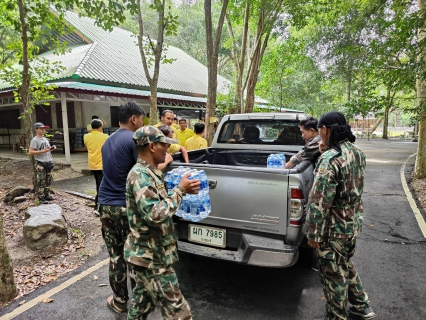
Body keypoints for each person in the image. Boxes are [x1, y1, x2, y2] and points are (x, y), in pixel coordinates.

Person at [125, 126, 200, 320]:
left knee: (141, 304)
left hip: (151, 254)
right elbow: (153, 214)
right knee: (179, 312)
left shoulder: (152, 173)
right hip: (150, 259)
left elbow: (158, 208)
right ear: (152, 146)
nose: (167, 149)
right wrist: (179, 191)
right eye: (164, 145)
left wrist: (178, 209)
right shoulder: (140, 176)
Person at [307, 111, 376, 320]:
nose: (319, 135)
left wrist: (313, 234)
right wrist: (325, 152)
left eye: (319, 130)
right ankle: (362, 305)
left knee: (333, 274)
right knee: (344, 262)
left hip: (333, 229)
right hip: (353, 223)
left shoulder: (329, 160)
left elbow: (319, 202)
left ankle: (336, 315)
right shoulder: (357, 152)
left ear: (326, 129)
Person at [97, 101, 145, 314]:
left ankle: (119, 301)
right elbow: (144, 172)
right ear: (134, 118)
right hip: (126, 207)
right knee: (134, 256)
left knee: (115, 256)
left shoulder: (107, 141)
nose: (142, 123)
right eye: (142, 119)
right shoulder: (135, 139)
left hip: (105, 204)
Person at [83, 118, 109, 210]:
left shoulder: (86, 136)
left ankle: (99, 204)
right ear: (101, 127)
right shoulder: (105, 136)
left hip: (92, 164)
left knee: (99, 184)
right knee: (101, 185)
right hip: (102, 164)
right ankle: (98, 205)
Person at [28, 122, 56, 204]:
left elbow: (46, 150)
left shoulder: (45, 139)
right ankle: (40, 197)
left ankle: (47, 195)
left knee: (49, 179)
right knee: (41, 180)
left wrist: (51, 148)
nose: (43, 130)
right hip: (40, 163)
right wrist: (42, 151)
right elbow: (31, 152)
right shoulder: (34, 140)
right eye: (41, 128)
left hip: (48, 162)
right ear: (36, 129)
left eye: (44, 128)